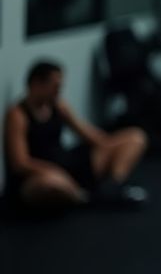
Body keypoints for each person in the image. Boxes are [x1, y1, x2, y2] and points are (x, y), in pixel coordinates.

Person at [4, 60, 149, 215]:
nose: (58, 91)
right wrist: (54, 171)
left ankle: (114, 185)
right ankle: (86, 198)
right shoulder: (17, 115)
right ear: (36, 84)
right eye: (55, 86)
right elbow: (20, 163)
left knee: (135, 137)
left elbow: (88, 135)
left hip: (66, 162)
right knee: (48, 184)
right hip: (38, 172)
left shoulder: (58, 105)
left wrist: (110, 146)